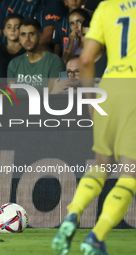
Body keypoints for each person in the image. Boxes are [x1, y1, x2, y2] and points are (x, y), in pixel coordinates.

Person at [51, 1, 136, 255]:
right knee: (129, 173)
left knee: (102, 165)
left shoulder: (106, 8)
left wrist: (90, 98)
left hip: (108, 88)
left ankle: (71, 216)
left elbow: (85, 58)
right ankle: (96, 237)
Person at [7, 18, 65, 95]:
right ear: (19, 38)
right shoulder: (14, 63)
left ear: (39, 35)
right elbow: (10, 96)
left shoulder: (55, 61)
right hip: (19, 106)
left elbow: (50, 96)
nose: (27, 39)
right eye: (23, 34)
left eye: (31, 34)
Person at [0, 0, 67, 52]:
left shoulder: (52, 3)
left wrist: (22, 54)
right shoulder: (8, 2)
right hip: (5, 53)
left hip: (34, 53)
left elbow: (47, 36)